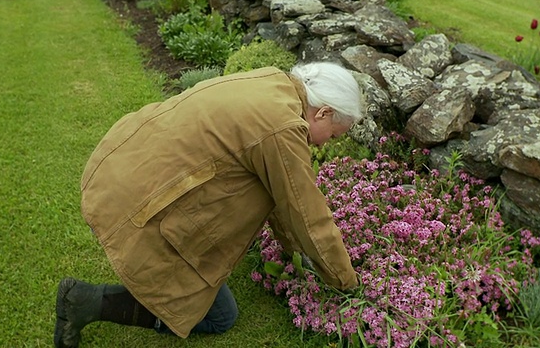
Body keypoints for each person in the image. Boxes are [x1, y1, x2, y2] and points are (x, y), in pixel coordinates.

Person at [54, 61, 364, 348]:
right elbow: (308, 216)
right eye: (334, 135)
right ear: (323, 112)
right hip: (148, 204)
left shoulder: (272, 81)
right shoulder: (283, 127)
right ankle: (84, 301)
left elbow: (285, 200)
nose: (327, 143)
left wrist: (293, 250)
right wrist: (347, 283)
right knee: (219, 316)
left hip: (127, 167)